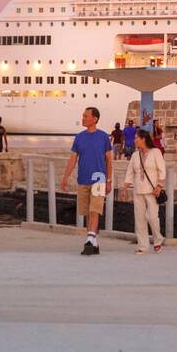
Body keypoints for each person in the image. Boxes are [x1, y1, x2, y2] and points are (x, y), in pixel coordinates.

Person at [59, 106, 114, 256]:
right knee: (87, 212)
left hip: (99, 178)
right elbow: (72, 159)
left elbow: (109, 160)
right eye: (83, 116)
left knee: (95, 210)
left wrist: (109, 180)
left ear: (94, 118)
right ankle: (94, 242)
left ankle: (89, 240)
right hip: (83, 178)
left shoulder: (104, 137)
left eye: (85, 116)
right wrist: (65, 177)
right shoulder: (79, 137)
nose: (83, 118)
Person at [120, 129, 166, 254]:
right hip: (138, 190)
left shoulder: (156, 152)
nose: (134, 140)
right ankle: (143, 245)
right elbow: (130, 172)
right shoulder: (135, 155)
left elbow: (162, 170)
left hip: (152, 191)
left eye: (136, 138)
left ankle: (158, 239)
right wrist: (124, 188)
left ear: (143, 139)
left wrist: (159, 186)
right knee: (139, 219)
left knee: (152, 217)